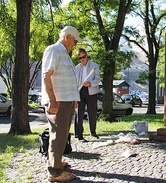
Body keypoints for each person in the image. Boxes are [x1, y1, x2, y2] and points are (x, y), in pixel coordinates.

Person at [41, 26, 82, 182]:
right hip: (58, 101)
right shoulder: (54, 50)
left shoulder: (64, 53)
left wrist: (74, 99)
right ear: (68, 37)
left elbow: (67, 80)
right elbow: (46, 76)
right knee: (58, 135)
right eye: (75, 40)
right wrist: (52, 99)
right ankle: (55, 172)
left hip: (67, 100)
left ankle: (55, 162)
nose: (76, 43)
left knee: (62, 134)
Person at [74, 48, 101, 141]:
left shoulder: (95, 66)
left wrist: (90, 83)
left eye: (83, 57)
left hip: (91, 91)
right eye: (80, 58)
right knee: (79, 113)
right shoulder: (76, 68)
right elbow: (75, 82)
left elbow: (98, 80)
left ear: (86, 56)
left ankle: (93, 132)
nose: (82, 59)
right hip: (80, 91)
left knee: (92, 112)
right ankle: (79, 134)